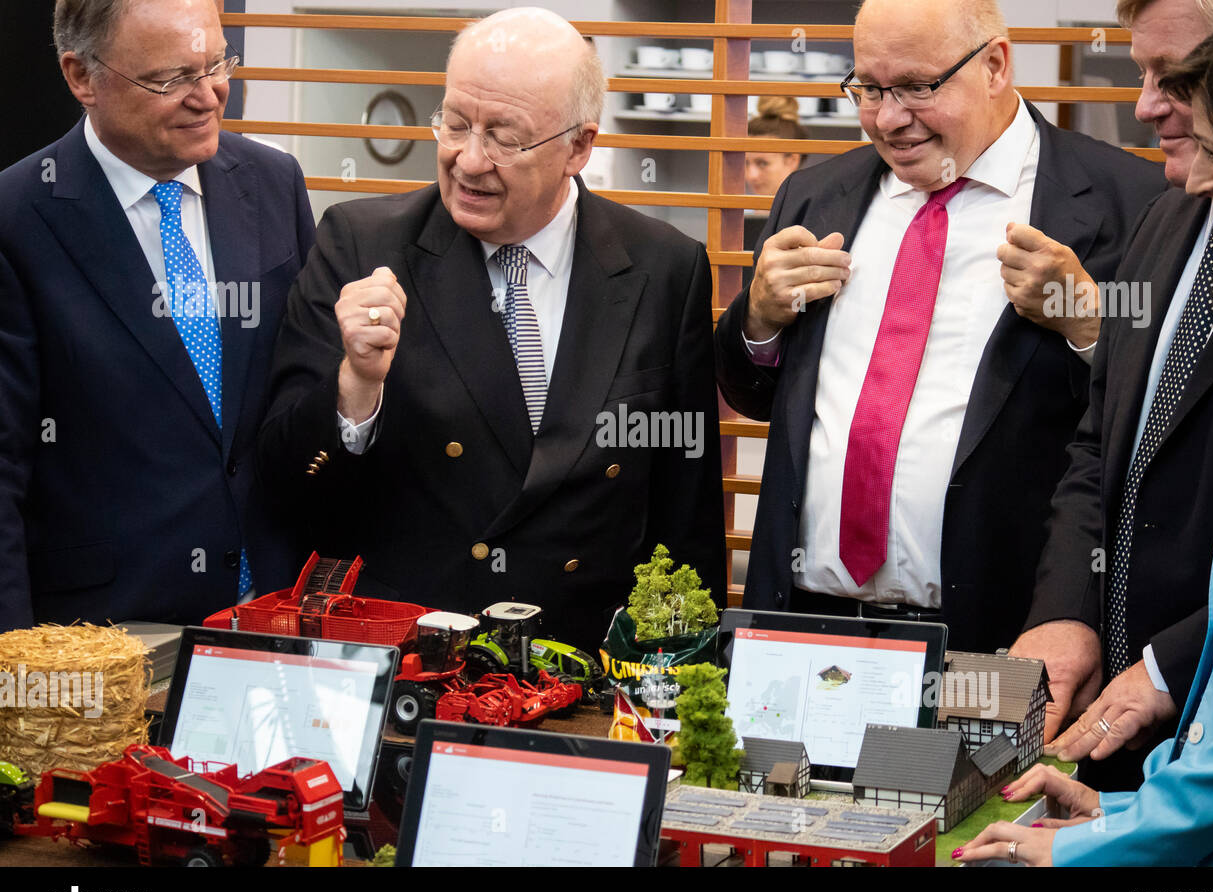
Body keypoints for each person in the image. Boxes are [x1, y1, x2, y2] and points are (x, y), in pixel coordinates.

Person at [257, 8, 725, 655]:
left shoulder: (663, 269)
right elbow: (287, 485)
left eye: (504, 136)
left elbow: (684, 519)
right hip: (417, 672)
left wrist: (676, 678)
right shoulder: (361, 244)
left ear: (580, 147)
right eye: (455, 122)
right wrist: (356, 386)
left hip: (587, 674)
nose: (468, 159)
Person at [714, 0, 1167, 651]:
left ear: (995, 66)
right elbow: (753, 398)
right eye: (869, 89)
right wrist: (757, 321)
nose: (889, 118)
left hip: (1000, 626)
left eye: (918, 88)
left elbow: (1157, 431)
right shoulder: (814, 194)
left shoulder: (1129, 202)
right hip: (805, 622)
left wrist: (1091, 325)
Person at [958, 10, 1213, 865]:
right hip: (1170, 777)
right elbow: (1102, 449)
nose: (1148, 107)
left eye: (1178, 80)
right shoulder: (1168, 219)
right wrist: (1128, 818)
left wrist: (1126, 829)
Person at [0, 0, 315, 630]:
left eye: (218, 63)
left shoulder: (273, 181)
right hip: (105, 640)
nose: (209, 96)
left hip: (277, 614)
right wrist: (16, 677)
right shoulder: (16, 218)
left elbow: (298, 392)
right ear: (81, 76)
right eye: (172, 78)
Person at [743, 96, 808, 288]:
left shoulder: (813, 218)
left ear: (792, 160)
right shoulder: (734, 223)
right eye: (746, 163)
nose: (751, 175)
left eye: (762, 163)